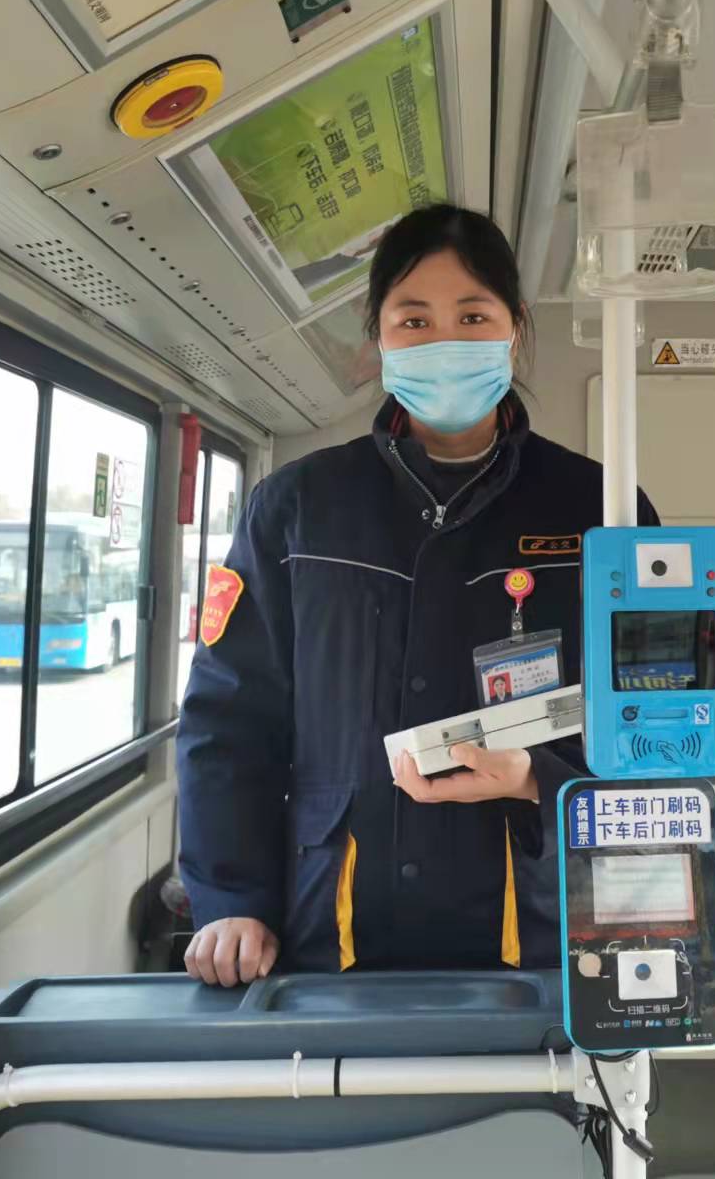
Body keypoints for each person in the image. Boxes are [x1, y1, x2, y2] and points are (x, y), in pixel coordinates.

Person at [176, 204, 658, 986]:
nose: (445, 342)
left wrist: (538, 777)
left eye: (472, 316)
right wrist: (232, 898)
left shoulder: (601, 510)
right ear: (377, 337)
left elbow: (653, 719)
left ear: (514, 328)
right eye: (414, 320)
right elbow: (229, 720)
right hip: (333, 930)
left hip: (536, 927)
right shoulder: (297, 507)